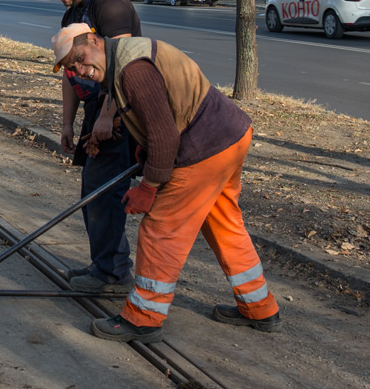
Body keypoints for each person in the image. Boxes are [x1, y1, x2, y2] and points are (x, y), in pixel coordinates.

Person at [51, 24, 282, 343]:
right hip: (230, 136)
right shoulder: (120, 62)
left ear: (94, 40)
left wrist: (148, 188)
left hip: (204, 145)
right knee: (224, 224)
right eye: (71, 68)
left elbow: (163, 135)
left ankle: (143, 318)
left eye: (79, 58)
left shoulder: (132, 70)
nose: (79, 69)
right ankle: (260, 308)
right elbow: (157, 120)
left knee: (161, 229)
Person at [43, 0, 139, 297]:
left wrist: (107, 116)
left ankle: (113, 275)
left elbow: (123, 65)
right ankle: (103, 264)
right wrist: (68, 123)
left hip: (118, 113)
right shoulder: (72, 15)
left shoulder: (109, 5)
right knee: (93, 191)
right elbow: (70, 73)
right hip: (95, 113)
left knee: (106, 190)